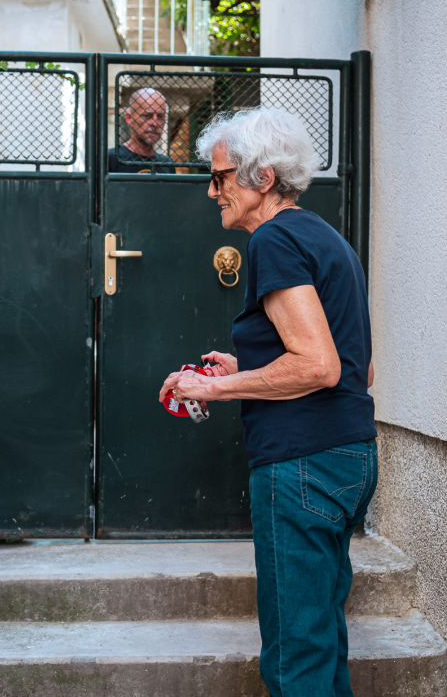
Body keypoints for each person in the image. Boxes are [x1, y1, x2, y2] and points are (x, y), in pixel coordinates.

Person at [158, 107, 376, 696]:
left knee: (294, 660)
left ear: (263, 177)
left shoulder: (274, 239)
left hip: (300, 465)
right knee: (322, 641)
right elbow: (359, 366)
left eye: (221, 177)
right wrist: (245, 368)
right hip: (347, 457)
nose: (212, 190)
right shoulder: (327, 239)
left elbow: (318, 365)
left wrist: (213, 387)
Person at [107, 88, 176, 174]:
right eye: (147, 116)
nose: (155, 123)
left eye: (160, 116)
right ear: (129, 119)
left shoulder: (166, 164)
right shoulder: (111, 159)